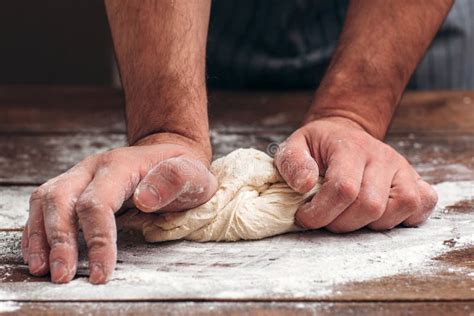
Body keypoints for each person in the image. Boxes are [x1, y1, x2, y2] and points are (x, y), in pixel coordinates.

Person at [21, 0, 464, 284]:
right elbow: (165, 128)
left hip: (399, 27)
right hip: (190, 25)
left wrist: (355, 115)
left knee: (367, 180)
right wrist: (165, 129)